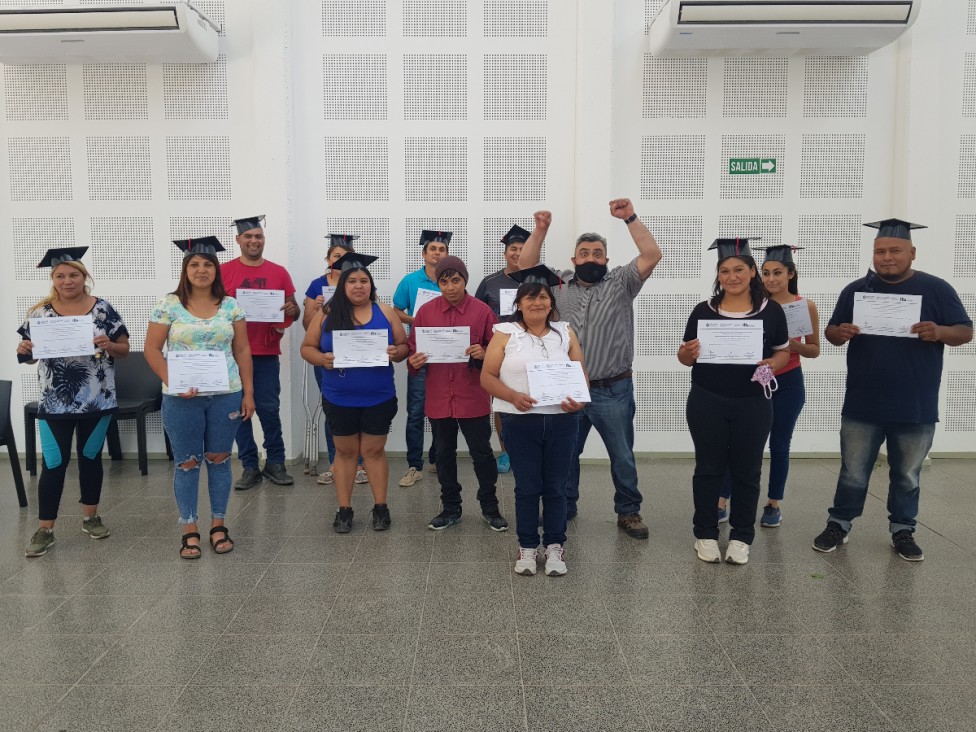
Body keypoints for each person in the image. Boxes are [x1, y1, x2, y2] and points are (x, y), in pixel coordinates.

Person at [812, 219, 972, 562]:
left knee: (907, 475)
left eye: (894, 250)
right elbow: (830, 332)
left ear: (912, 253)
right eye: (880, 251)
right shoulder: (856, 290)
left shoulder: (936, 289)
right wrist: (841, 333)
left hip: (915, 404)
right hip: (863, 401)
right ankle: (839, 523)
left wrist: (940, 332)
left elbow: (965, 331)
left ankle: (903, 530)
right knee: (853, 471)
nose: (886, 257)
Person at [518, 199, 662, 539]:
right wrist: (540, 230)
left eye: (598, 253)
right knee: (566, 455)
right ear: (574, 259)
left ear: (606, 259)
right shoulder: (558, 284)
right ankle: (566, 506)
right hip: (567, 386)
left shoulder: (622, 282)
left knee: (622, 456)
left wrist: (629, 218)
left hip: (613, 388)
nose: (591, 258)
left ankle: (628, 511)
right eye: (585, 253)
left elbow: (652, 254)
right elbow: (524, 266)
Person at [677, 238, 790, 565]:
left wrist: (773, 364)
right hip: (707, 400)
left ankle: (742, 536)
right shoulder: (703, 311)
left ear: (752, 272)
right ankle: (705, 533)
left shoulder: (772, 312)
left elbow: (783, 351)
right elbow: (685, 357)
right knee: (709, 468)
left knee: (747, 470)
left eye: (739, 269)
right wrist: (686, 353)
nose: (732, 276)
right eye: (725, 271)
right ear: (718, 275)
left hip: (753, 402)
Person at [145, 237, 255, 559]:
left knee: (219, 460)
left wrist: (248, 392)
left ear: (216, 269)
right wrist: (172, 380)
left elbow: (243, 349)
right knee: (188, 462)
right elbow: (152, 350)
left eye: (208, 264)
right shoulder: (168, 305)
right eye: (194, 264)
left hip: (225, 395)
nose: (201, 270)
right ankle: (189, 527)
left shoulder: (232, 305)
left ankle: (218, 524)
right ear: (185, 269)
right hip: (182, 398)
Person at [17, 247, 130, 558]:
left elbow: (124, 348)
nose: (68, 280)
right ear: (53, 279)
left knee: (91, 458)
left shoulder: (102, 310)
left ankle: (91, 517)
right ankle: (45, 529)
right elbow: (25, 356)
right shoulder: (40, 314)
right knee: (53, 464)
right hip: (55, 403)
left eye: (74, 275)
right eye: (61, 276)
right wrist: (25, 347)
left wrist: (110, 344)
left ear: (84, 277)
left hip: (98, 399)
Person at [481, 265, 586, 576]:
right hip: (519, 421)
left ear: (551, 302)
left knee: (556, 486)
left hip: (562, 421)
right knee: (527, 487)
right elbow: (487, 377)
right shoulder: (504, 333)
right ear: (519, 305)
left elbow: (580, 373)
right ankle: (527, 546)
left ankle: (555, 546)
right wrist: (513, 396)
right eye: (530, 299)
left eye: (542, 297)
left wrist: (579, 399)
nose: (537, 303)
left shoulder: (565, 332)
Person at [300, 253, 407, 532]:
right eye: (352, 281)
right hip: (339, 397)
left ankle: (381, 507)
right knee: (345, 452)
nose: (359, 286)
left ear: (371, 285)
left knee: (374, 450)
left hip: (378, 396)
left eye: (364, 281)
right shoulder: (326, 314)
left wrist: (397, 352)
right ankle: (344, 509)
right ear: (342, 285)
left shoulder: (384, 311)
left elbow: (403, 345)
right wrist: (322, 359)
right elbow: (307, 348)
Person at [716, 245, 820, 528]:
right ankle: (722, 500)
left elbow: (814, 350)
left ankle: (773, 503)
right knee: (741, 443)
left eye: (777, 273)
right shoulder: (752, 303)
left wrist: (788, 344)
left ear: (791, 274)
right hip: (755, 379)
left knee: (779, 444)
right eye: (765, 273)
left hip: (787, 381)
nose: (771, 279)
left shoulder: (803, 306)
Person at [407, 255, 509, 532]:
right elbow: (413, 350)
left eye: (456, 280)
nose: (450, 287)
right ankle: (451, 507)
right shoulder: (426, 313)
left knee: (482, 454)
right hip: (439, 396)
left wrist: (485, 353)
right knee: (443, 454)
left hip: (471, 395)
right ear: (437, 282)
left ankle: (490, 507)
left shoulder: (482, 312)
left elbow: (500, 355)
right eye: (444, 281)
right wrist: (413, 361)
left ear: (465, 280)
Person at [221, 215, 300, 491]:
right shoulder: (224, 271)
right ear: (238, 240)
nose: (254, 241)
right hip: (230, 355)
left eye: (258, 236)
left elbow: (293, 308)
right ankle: (250, 466)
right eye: (249, 237)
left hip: (265, 353)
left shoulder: (279, 272)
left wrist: (289, 314)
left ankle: (275, 462)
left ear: (263, 239)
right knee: (237, 411)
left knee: (268, 409)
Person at [302, 233, 368, 487]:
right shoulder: (317, 285)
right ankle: (334, 463)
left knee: (361, 408)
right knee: (334, 410)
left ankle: (360, 464)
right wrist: (317, 309)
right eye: (336, 257)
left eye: (345, 257)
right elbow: (308, 325)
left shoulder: (361, 283)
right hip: (329, 357)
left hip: (358, 356)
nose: (340, 261)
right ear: (328, 260)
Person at [393, 229, 450, 487]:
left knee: (442, 411)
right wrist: (417, 320)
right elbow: (396, 311)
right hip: (419, 353)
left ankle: (437, 459)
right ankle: (413, 465)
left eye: (442, 249)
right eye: (433, 249)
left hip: (445, 355)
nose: (437, 253)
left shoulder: (451, 280)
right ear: (424, 253)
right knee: (416, 412)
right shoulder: (410, 281)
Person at [475, 224, 529, 474]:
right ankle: (506, 451)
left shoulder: (536, 279)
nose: (517, 253)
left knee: (531, 398)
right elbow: (477, 317)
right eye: (513, 248)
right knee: (501, 402)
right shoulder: (490, 283)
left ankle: (529, 449)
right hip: (499, 352)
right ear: (505, 252)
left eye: (522, 248)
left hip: (531, 349)